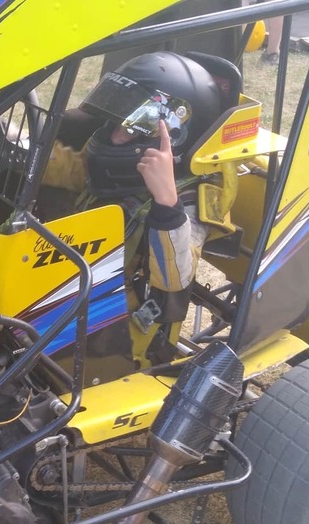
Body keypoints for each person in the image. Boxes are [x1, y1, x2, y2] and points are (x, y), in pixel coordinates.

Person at [42, 51, 226, 325]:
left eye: (131, 129)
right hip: (74, 274)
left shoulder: (192, 198)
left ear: (174, 138)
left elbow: (175, 279)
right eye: (116, 122)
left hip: (116, 315)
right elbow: (74, 169)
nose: (116, 137)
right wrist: (18, 148)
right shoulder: (113, 157)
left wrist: (166, 202)